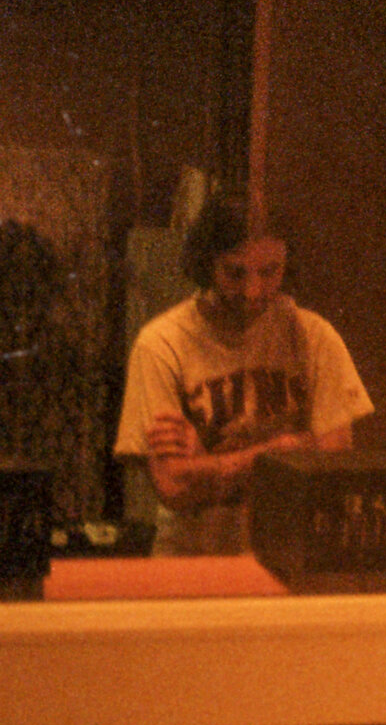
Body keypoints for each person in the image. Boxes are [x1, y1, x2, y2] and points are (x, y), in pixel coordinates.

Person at [115, 197, 372, 555]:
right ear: (206, 264)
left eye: (270, 272)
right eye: (235, 273)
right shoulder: (161, 344)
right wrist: (285, 451)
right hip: (192, 563)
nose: (253, 291)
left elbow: (334, 465)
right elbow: (172, 485)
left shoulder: (312, 337)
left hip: (289, 559)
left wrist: (206, 465)